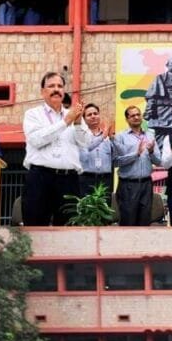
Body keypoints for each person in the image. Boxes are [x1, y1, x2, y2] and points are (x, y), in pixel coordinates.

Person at [23, 72, 87, 226]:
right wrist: (66, 121)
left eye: (60, 86)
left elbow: (85, 143)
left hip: (69, 180)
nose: (56, 89)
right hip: (40, 177)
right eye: (51, 86)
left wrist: (77, 123)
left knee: (69, 229)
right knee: (35, 227)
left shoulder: (73, 115)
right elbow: (37, 140)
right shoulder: (33, 114)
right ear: (42, 91)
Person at [112, 106, 160, 226]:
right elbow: (115, 162)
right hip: (128, 185)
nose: (136, 117)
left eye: (138, 114)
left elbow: (159, 161)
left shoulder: (150, 135)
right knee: (128, 222)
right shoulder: (120, 137)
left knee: (145, 221)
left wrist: (151, 152)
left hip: (146, 184)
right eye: (133, 115)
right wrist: (135, 154)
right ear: (127, 119)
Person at [77, 103, 114, 205]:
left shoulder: (108, 137)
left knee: (104, 212)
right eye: (89, 115)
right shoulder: (81, 136)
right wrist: (102, 137)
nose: (93, 116)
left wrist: (112, 139)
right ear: (84, 119)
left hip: (105, 180)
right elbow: (86, 148)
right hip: (87, 179)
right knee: (87, 213)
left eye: (95, 113)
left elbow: (115, 158)